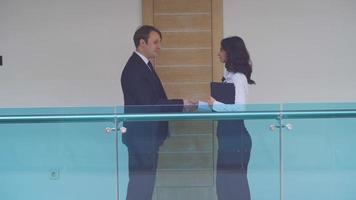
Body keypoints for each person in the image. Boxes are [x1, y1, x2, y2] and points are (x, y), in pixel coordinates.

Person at [121, 25, 196, 200]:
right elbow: (149, 104)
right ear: (142, 43)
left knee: (145, 187)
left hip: (147, 137)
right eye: (155, 42)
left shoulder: (144, 65)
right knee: (140, 188)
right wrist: (181, 104)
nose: (159, 47)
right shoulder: (134, 68)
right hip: (141, 137)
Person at [208, 36, 256, 200]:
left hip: (236, 139)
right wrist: (199, 104)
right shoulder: (229, 76)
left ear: (230, 52)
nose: (218, 53)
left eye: (221, 49)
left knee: (236, 188)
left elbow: (239, 109)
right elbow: (221, 106)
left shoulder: (238, 77)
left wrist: (215, 105)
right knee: (224, 186)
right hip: (227, 138)